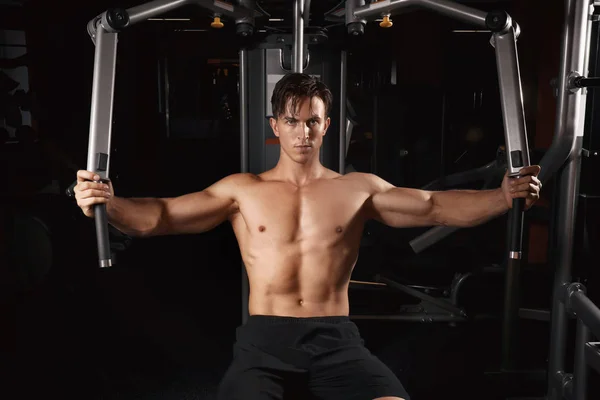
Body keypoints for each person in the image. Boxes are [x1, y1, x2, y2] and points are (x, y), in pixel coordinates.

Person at [74, 73, 542, 400]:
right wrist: (107, 203)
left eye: (312, 121)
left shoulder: (357, 189)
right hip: (264, 339)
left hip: (336, 338)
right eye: (292, 122)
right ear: (276, 128)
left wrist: (502, 197)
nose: (303, 133)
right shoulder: (242, 191)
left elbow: (434, 206)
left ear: (327, 126)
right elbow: (161, 216)